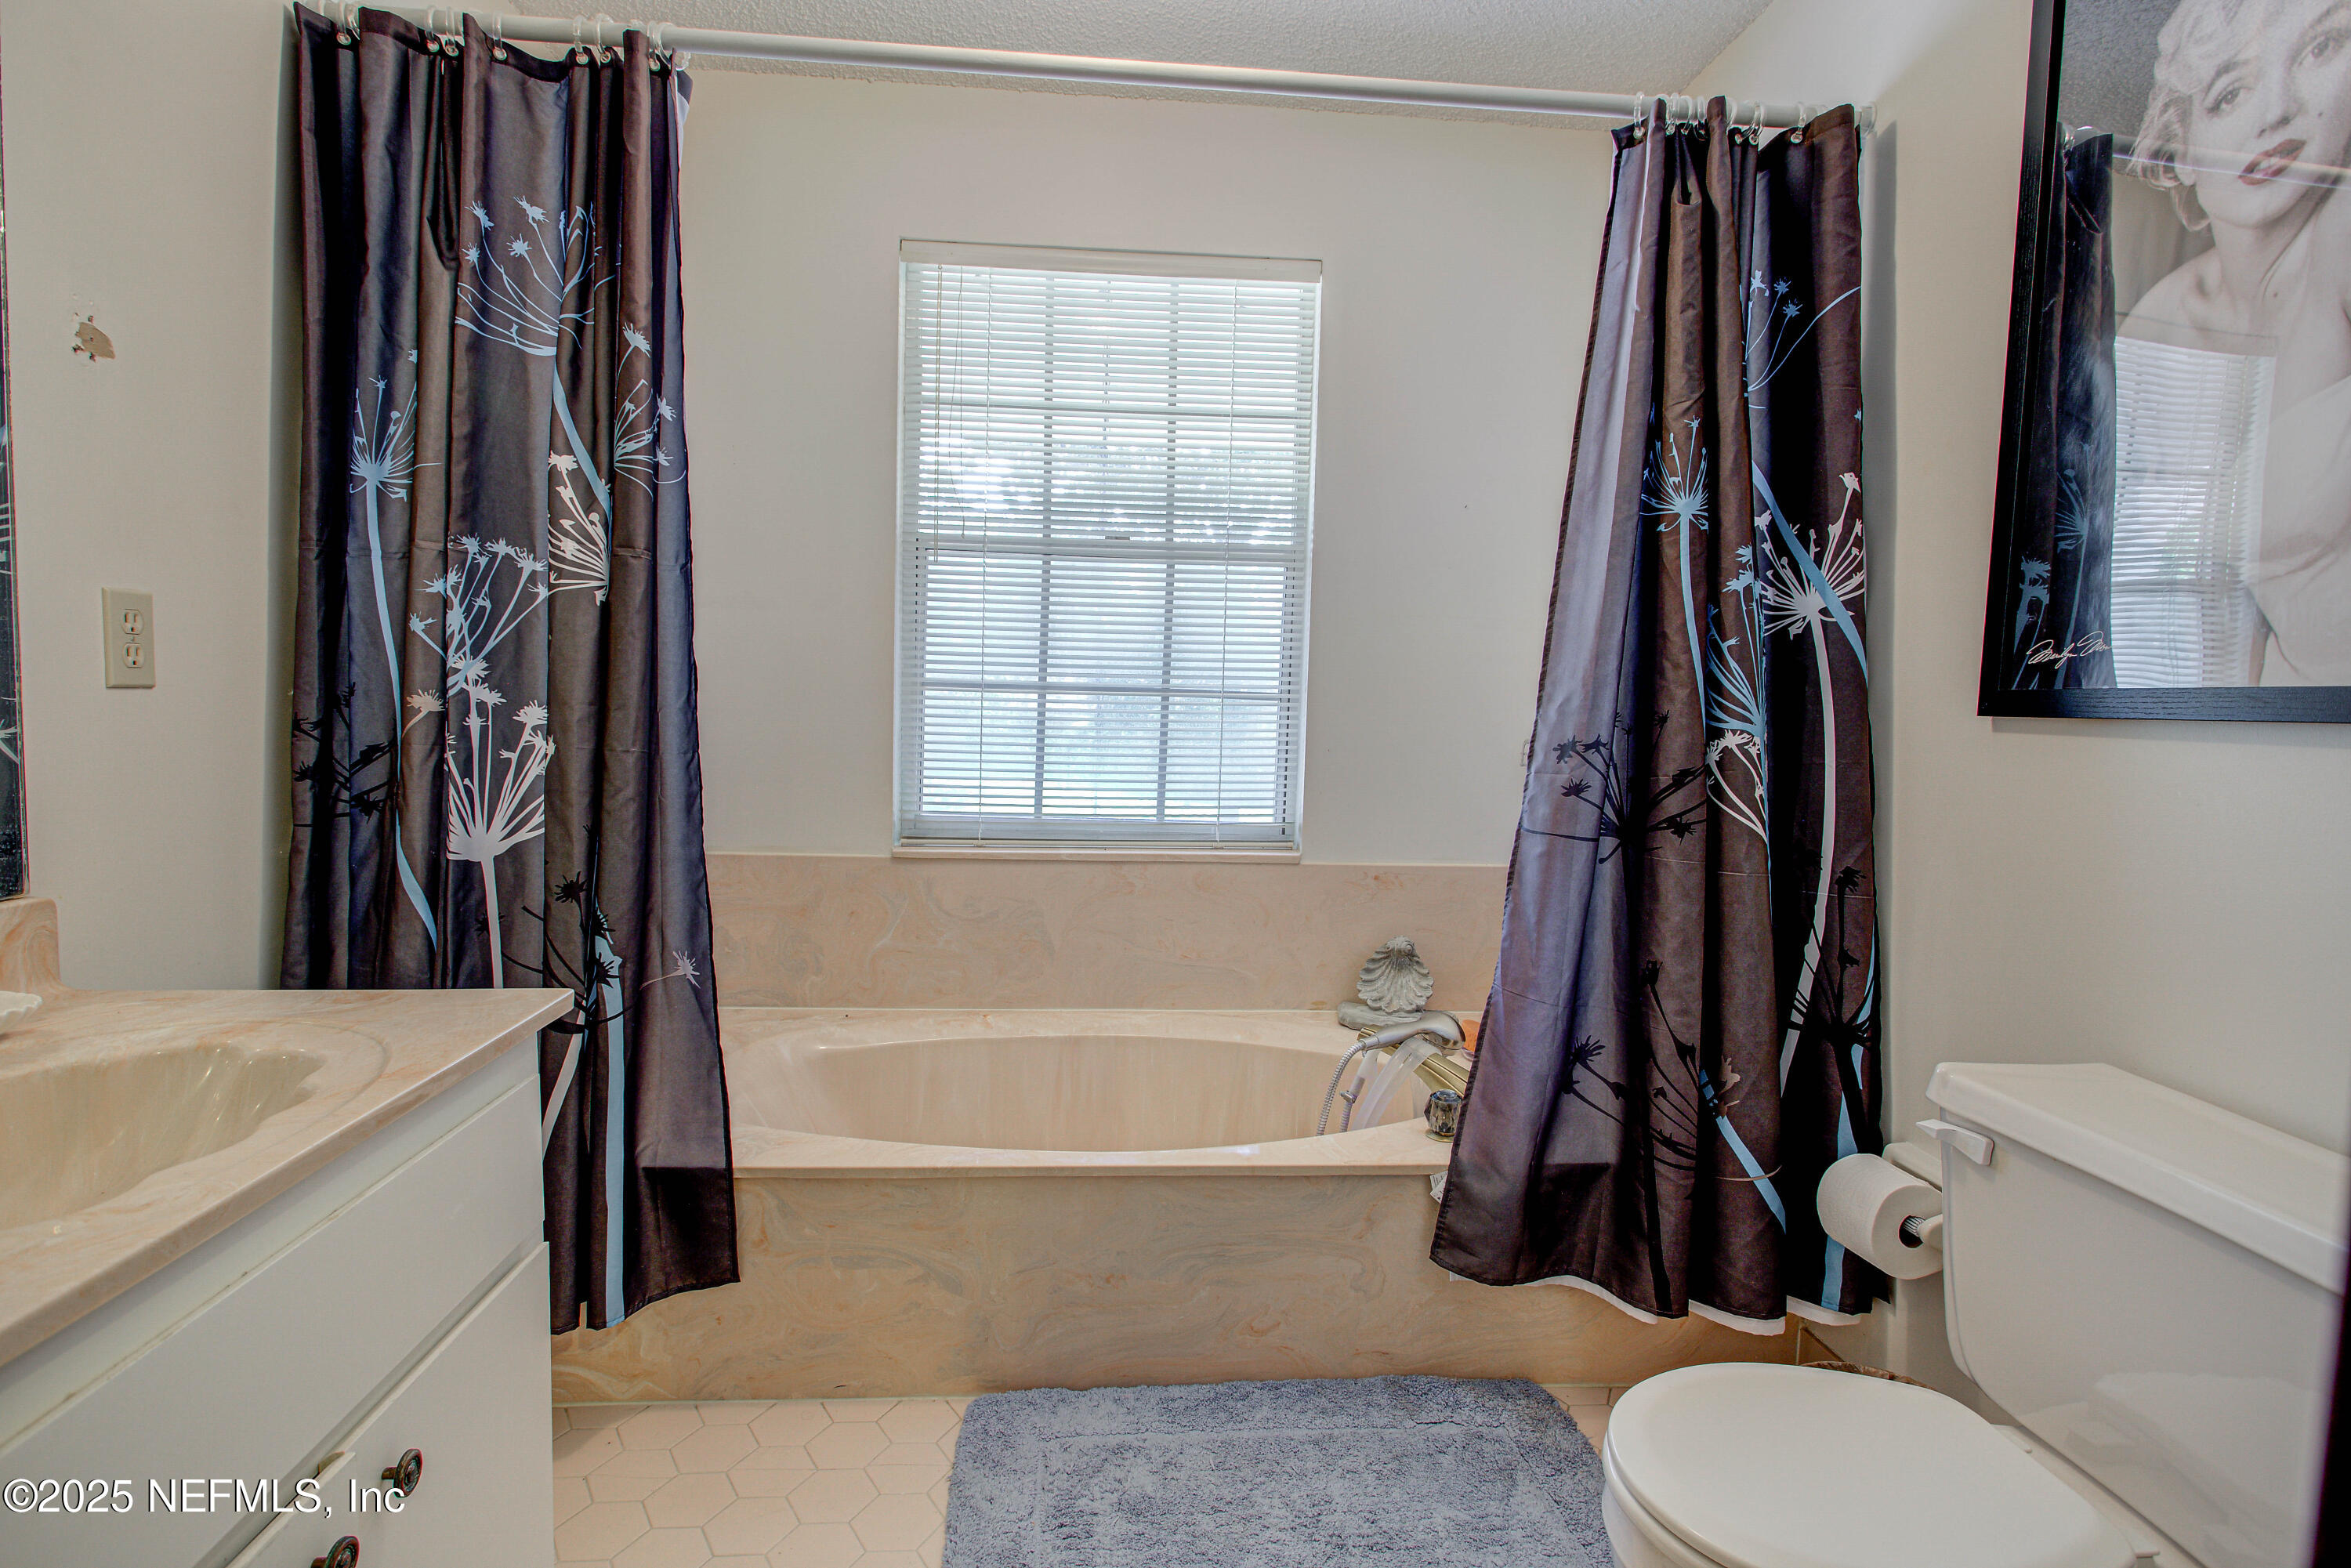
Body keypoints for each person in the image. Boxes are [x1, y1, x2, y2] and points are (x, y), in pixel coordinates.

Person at [2126, 0, 2351, 683]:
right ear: (2182, 154)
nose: (2276, 112)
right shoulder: (2157, 322)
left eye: (2318, 51)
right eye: (2230, 93)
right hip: (2253, 725)